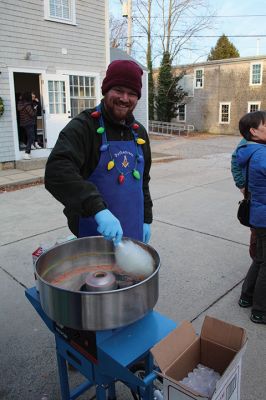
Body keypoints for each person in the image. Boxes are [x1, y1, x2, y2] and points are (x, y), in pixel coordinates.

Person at [45, 60, 153, 245]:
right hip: (94, 233)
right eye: (119, 90)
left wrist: (146, 218)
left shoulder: (139, 133)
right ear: (106, 90)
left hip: (133, 229)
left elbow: (143, 180)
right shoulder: (84, 127)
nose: (125, 98)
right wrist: (98, 211)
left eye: (132, 93)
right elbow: (57, 171)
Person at [236, 110, 266, 324]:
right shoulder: (262, 154)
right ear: (254, 131)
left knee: (260, 259)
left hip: (258, 213)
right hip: (264, 215)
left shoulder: (249, 150)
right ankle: (260, 310)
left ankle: (246, 297)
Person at [231, 138, 256, 260]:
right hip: (256, 193)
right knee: (257, 231)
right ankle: (257, 263)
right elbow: (236, 159)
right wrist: (241, 184)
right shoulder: (256, 132)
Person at [17, 92, 38, 160]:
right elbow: (32, 114)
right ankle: (26, 153)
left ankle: (28, 151)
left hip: (24, 123)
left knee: (30, 136)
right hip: (29, 123)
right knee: (31, 137)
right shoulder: (28, 105)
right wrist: (35, 108)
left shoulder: (20, 104)